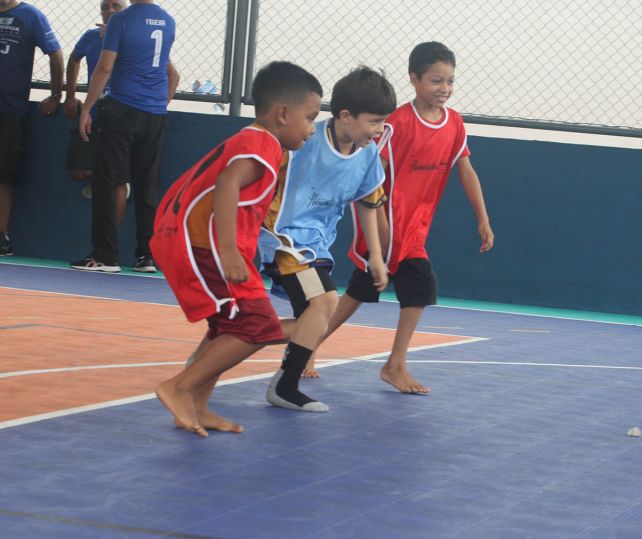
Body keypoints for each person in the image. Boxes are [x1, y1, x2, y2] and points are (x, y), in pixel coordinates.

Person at [151, 61, 323, 437]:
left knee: (227, 325)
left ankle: (197, 404)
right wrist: (229, 249)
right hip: (205, 244)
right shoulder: (263, 143)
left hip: (204, 242)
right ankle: (179, 388)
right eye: (310, 118)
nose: (312, 128)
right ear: (283, 113)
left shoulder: (257, 141)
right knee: (257, 325)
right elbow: (229, 183)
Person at [315, 42, 495, 393]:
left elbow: (466, 170)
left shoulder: (455, 124)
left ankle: (394, 364)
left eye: (450, 81)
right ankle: (310, 346)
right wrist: (379, 227)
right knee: (361, 292)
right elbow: (371, 175)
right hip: (385, 224)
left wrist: (482, 218)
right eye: (436, 80)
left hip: (415, 230)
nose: (444, 88)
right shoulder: (395, 125)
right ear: (414, 79)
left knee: (417, 287)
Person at [258, 66, 395, 408]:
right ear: (346, 116)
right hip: (283, 240)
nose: (380, 130)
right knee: (324, 302)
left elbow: (368, 203)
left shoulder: (367, 155)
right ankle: (285, 386)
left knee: (312, 320)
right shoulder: (305, 140)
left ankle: (233, 335)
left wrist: (375, 256)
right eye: (374, 121)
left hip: (316, 247)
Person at [71, 0, 179, 273]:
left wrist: (87, 108)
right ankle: (146, 256)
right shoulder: (168, 21)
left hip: (122, 109)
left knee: (106, 182)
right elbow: (167, 70)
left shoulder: (122, 20)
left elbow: (105, 67)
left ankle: (105, 256)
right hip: (154, 115)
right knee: (147, 186)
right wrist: (158, 105)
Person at [0, 0, 63, 256]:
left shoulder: (31, 15)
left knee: (4, 174)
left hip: (10, 109)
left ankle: (2, 235)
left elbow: (55, 53)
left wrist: (56, 94)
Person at [64, 0, 129, 226]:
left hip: (122, 112)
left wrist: (116, 38)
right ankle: (101, 179)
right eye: (104, 6)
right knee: (77, 170)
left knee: (117, 182)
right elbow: (74, 58)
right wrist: (70, 96)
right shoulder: (91, 36)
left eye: (116, 6)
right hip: (93, 110)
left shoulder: (134, 37)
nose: (109, 10)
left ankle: (109, 239)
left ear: (126, 10)